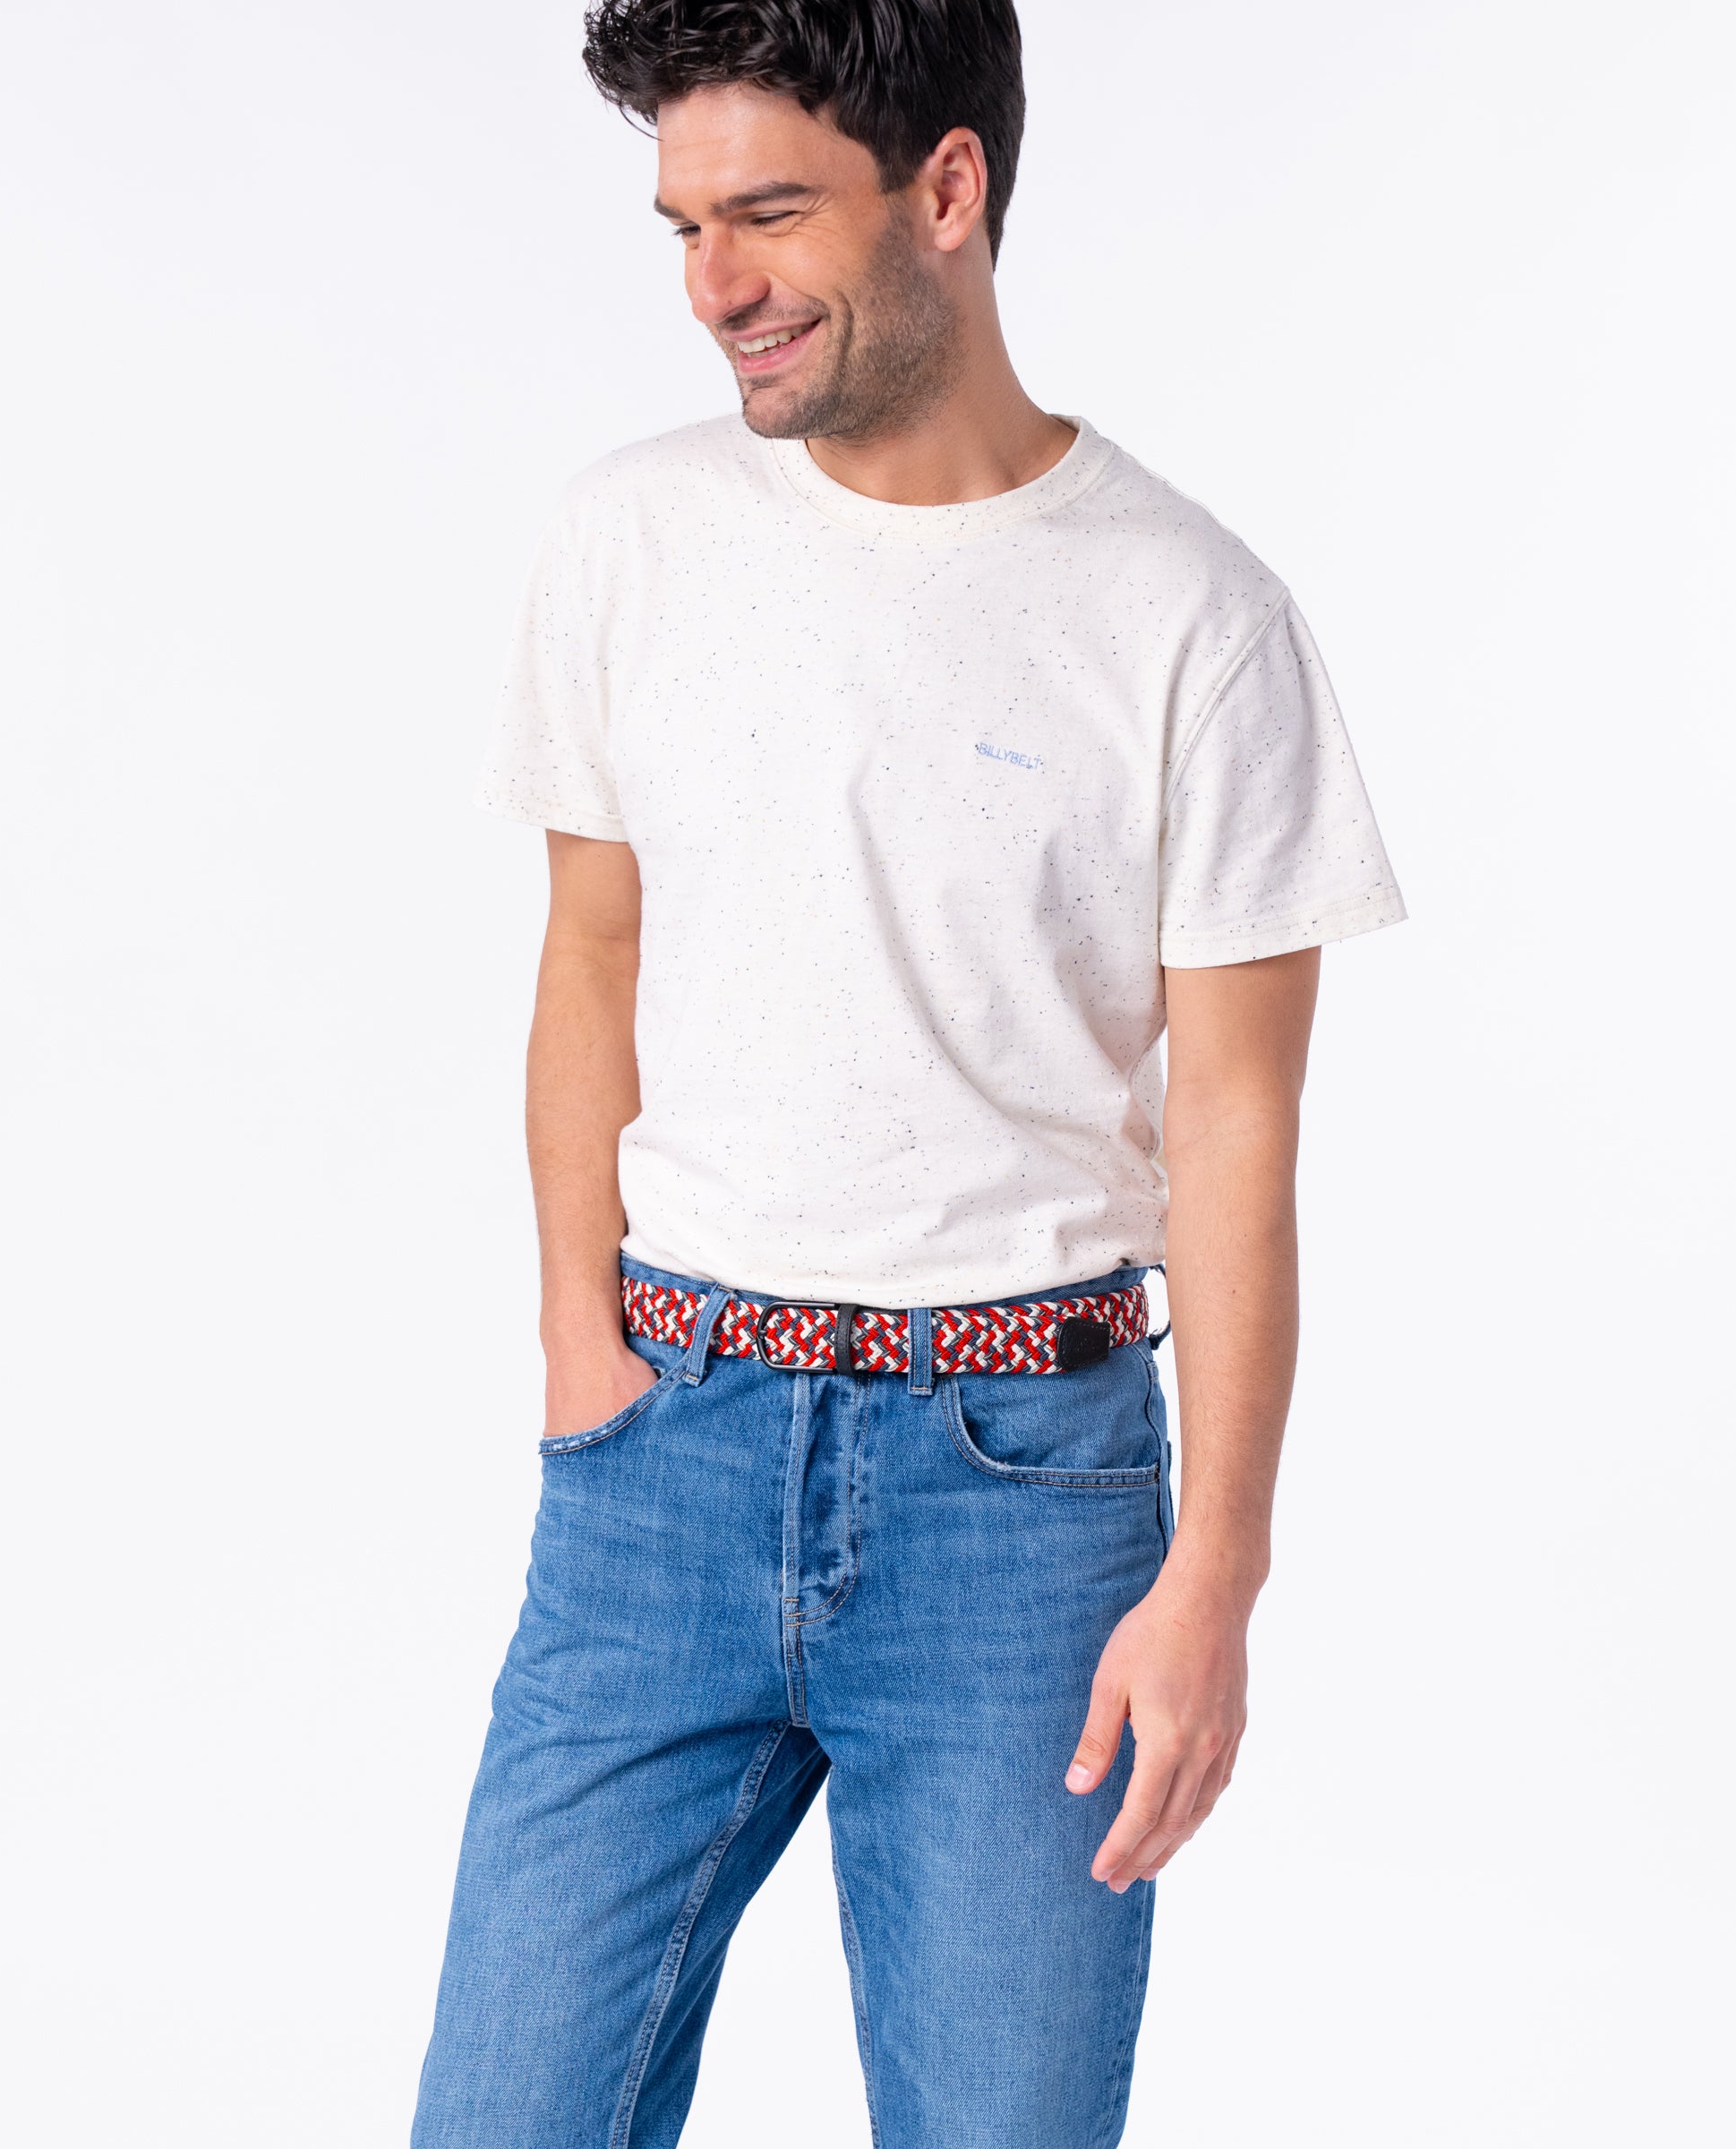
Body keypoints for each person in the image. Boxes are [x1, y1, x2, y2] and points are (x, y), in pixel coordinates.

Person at [413, 4, 1404, 2144]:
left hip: (1020, 1505)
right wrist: (580, 1349)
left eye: (768, 214)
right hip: (661, 1463)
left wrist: (1217, 1574)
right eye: (683, 225)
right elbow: (592, 954)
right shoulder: (630, 540)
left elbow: (1238, 1120)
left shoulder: (1193, 618)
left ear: (946, 189)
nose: (715, 286)